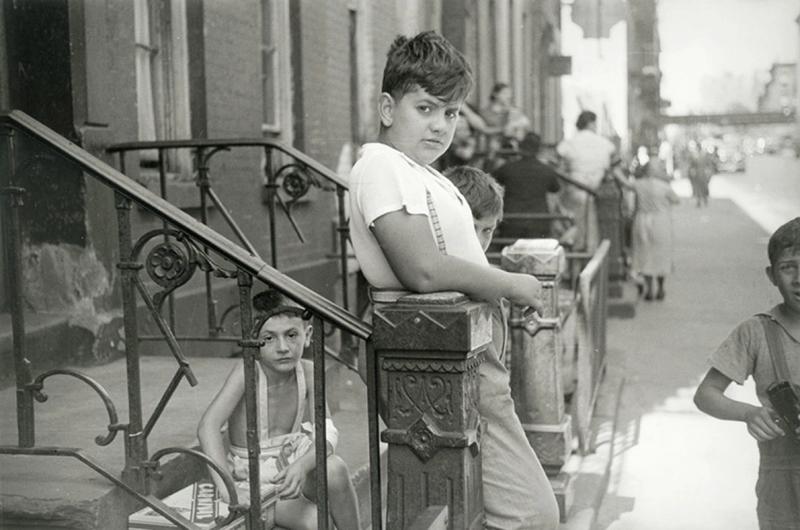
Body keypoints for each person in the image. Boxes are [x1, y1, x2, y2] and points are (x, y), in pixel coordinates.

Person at [348, 31, 559, 529]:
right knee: (532, 515)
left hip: (464, 358)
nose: (440, 125)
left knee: (472, 510)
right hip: (437, 362)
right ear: (386, 107)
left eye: (451, 113)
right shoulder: (382, 166)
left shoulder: (421, 171)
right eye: (425, 108)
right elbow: (422, 269)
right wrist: (509, 283)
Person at [197, 289, 360, 529]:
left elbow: (327, 432)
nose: (283, 347)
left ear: (308, 335)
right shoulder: (248, 374)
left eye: (291, 335)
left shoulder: (309, 372)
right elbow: (207, 426)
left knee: (335, 468)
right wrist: (227, 489)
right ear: (253, 339)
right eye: (269, 338)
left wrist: (303, 465)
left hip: (293, 467)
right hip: (256, 480)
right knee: (319, 523)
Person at [694, 217, 800, 528]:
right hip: (782, 486)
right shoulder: (756, 332)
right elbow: (706, 394)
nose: (799, 278)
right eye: (788, 267)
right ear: (771, 275)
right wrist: (749, 414)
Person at [611, 147, 679, 300]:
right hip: (661, 222)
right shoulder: (664, 186)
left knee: (645, 255)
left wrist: (615, 170)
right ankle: (661, 288)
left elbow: (624, 183)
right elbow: (676, 200)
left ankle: (649, 289)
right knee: (661, 255)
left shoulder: (639, 184)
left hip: (642, 221)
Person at [556, 110, 620, 251]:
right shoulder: (604, 143)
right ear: (591, 124)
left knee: (575, 224)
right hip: (596, 190)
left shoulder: (569, 143)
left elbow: (560, 165)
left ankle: (573, 253)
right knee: (594, 227)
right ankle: (591, 254)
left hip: (574, 189)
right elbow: (613, 163)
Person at [492, 132, 562, 240]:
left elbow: (491, 182)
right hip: (539, 221)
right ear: (539, 150)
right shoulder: (546, 170)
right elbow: (555, 188)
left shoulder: (508, 168)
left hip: (511, 220)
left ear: (520, 148)